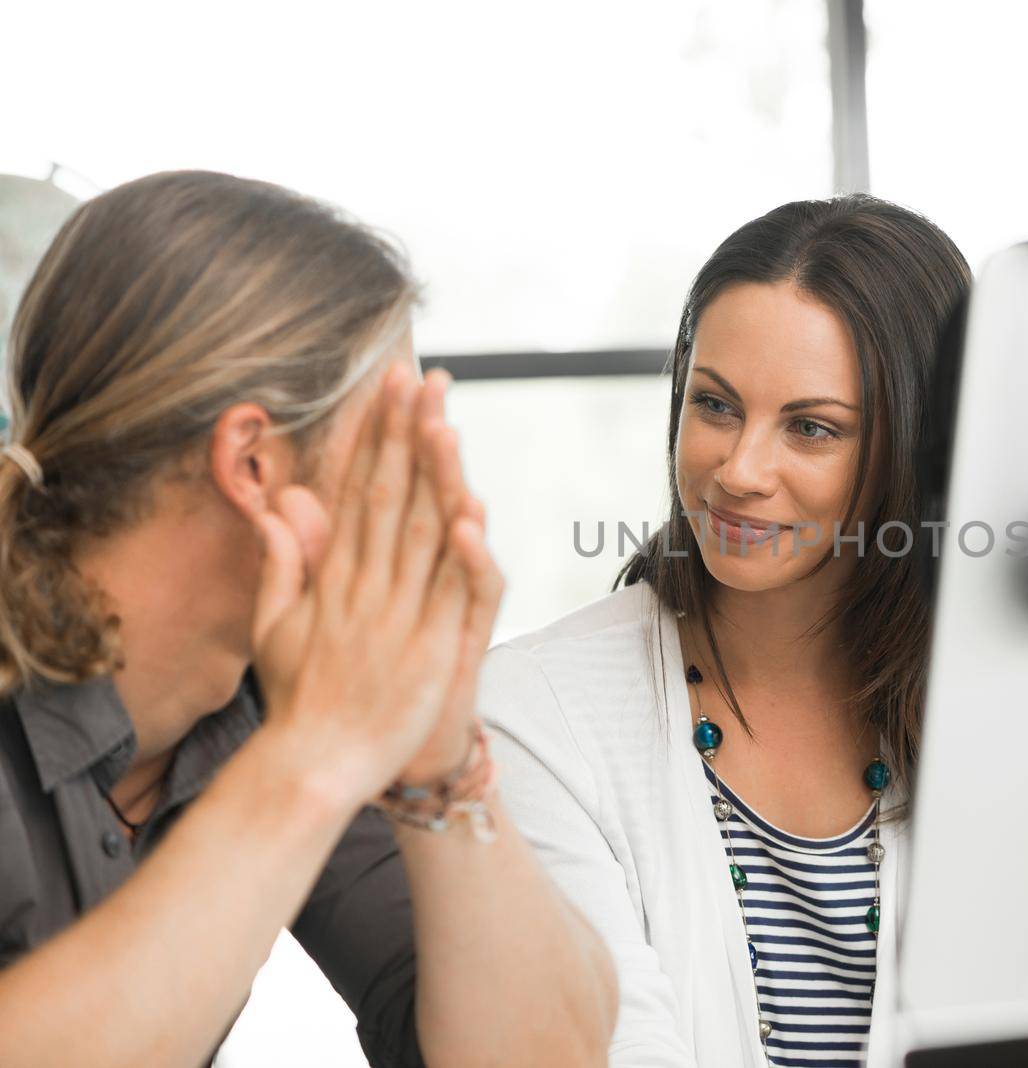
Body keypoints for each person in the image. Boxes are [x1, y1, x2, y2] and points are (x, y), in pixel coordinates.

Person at [0, 170, 617, 1067]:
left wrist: (440, 763)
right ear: (252, 464)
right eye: (392, 439)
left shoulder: (259, 705)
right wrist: (315, 757)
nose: (426, 490)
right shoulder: (305, 737)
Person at [481, 194, 970, 1067]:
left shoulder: (1000, 709)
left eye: (812, 428)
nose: (738, 471)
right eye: (714, 406)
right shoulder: (536, 715)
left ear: (918, 451)